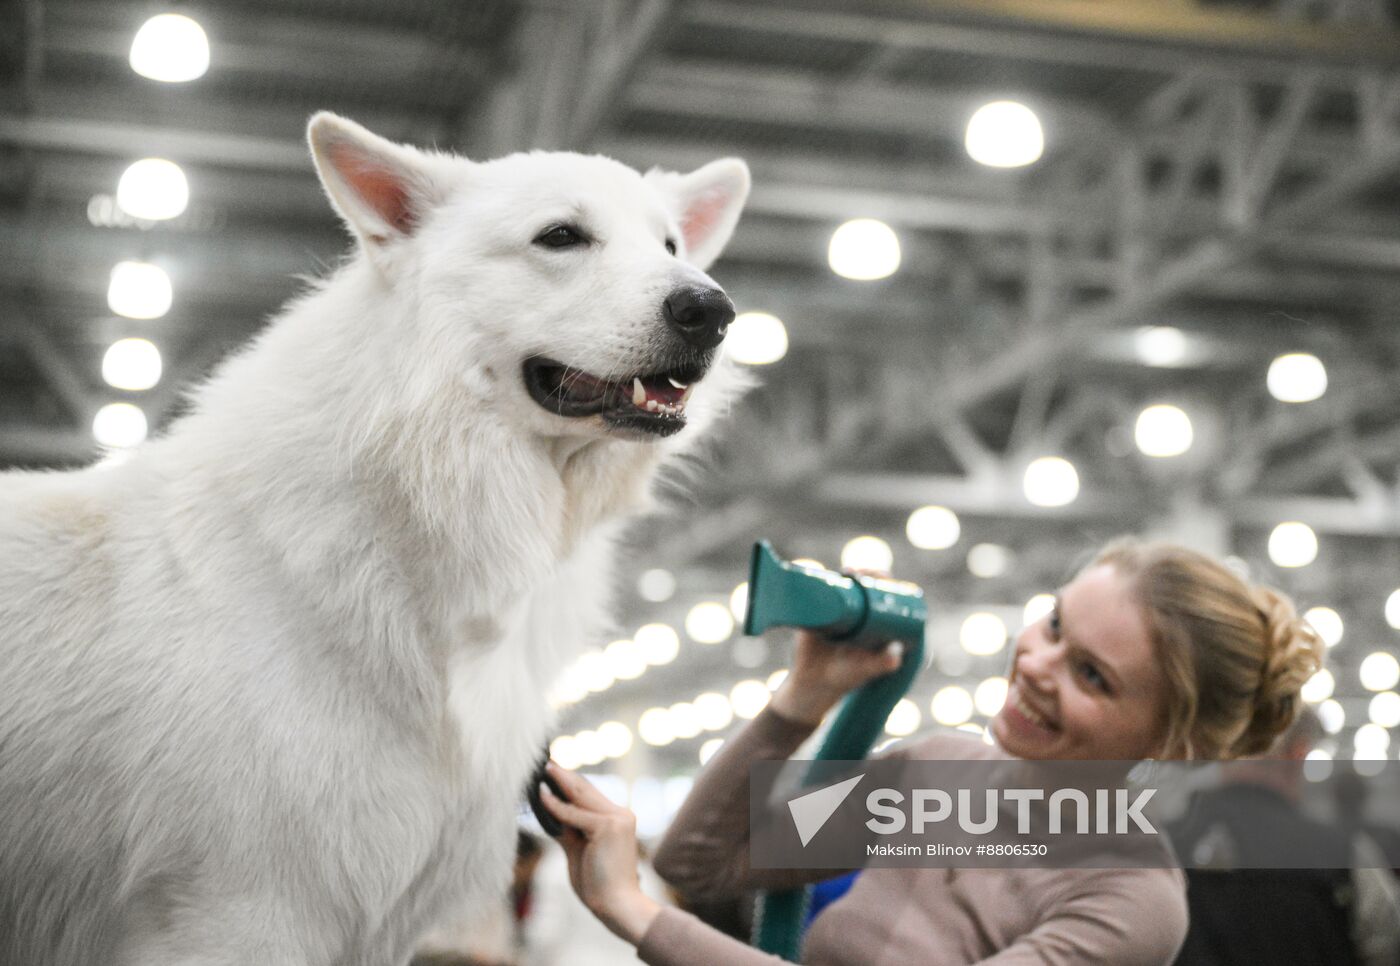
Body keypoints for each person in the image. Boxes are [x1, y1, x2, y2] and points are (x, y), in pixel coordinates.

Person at [539, 538, 1325, 964]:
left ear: (1173, 740)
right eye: (1054, 625)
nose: (1038, 667)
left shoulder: (1129, 899)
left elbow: (660, 891)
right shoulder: (938, 775)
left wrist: (631, 912)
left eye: (1092, 675)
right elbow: (703, 862)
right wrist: (802, 697)